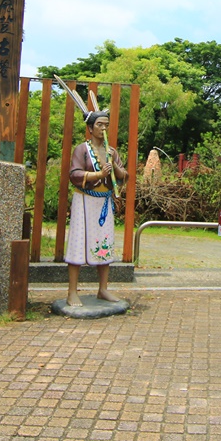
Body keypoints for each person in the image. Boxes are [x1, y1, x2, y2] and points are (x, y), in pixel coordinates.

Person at [65, 110, 128, 307]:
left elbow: (123, 175)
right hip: (84, 201)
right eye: (99, 125)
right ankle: (72, 292)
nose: (103, 128)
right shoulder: (82, 149)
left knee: (104, 244)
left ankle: (103, 289)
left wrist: (113, 167)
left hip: (104, 202)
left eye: (106, 125)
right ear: (90, 128)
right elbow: (75, 174)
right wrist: (99, 174)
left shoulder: (112, 151)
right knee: (78, 243)